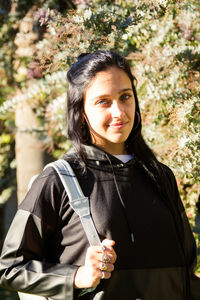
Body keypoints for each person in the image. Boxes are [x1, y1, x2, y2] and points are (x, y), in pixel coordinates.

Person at [0, 50, 199, 300]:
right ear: (80, 110)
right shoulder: (58, 181)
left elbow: (185, 272)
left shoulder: (160, 177)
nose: (119, 112)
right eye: (103, 101)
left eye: (125, 97)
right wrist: (77, 276)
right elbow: (11, 268)